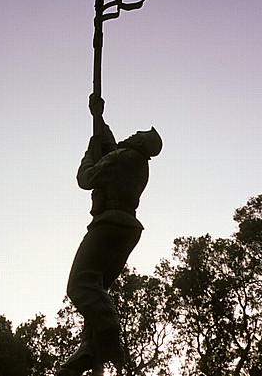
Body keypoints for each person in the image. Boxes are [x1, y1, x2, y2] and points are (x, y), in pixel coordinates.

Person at [57, 94, 162, 376]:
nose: (133, 133)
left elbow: (86, 178)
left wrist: (90, 151)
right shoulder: (133, 160)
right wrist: (98, 117)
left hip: (110, 225)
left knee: (80, 284)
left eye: (137, 134)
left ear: (140, 143)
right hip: (126, 227)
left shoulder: (126, 157)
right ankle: (90, 346)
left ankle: (107, 327)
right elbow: (112, 147)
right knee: (97, 285)